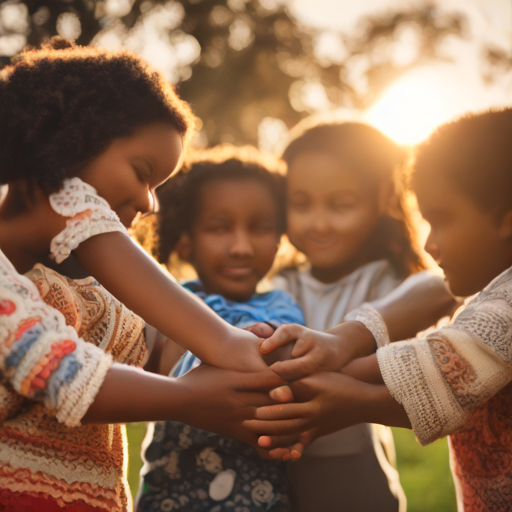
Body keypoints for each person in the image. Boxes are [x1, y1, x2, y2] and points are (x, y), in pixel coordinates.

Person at [0, 38, 286, 512]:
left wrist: (250, 348)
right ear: (64, 142)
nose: (151, 204)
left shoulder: (80, 294)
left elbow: (155, 349)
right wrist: (191, 394)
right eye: (143, 172)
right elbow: (67, 374)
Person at [249, 109, 512, 512]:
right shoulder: (277, 285)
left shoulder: (493, 306)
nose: (430, 245)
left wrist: (321, 362)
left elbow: (442, 361)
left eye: (440, 220)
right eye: (301, 203)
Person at [136, 146, 305, 512]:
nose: (241, 248)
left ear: (280, 237)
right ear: (186, 240)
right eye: (219, 227)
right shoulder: (164, 302)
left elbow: (275, 365)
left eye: (260, 227)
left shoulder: (282, 307)